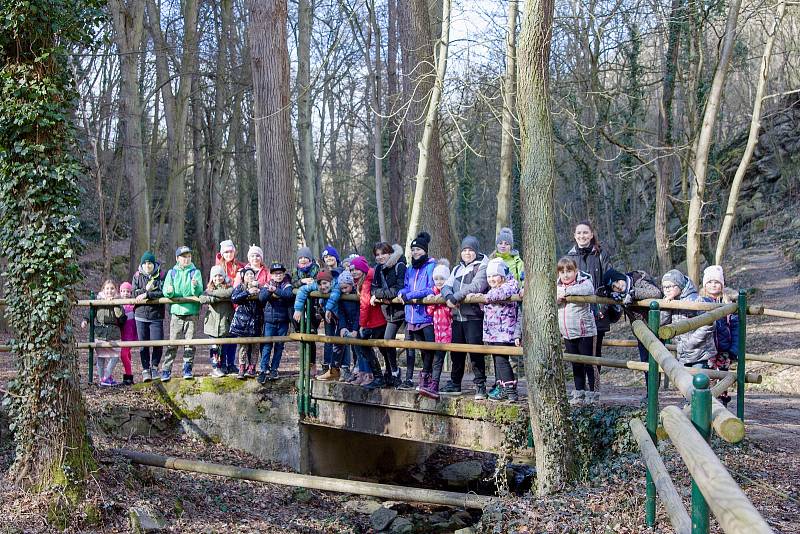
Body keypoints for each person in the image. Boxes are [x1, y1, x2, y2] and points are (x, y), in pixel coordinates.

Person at [439, 235, 490, 399]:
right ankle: (455, 383)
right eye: (464, 250)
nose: (467, 253)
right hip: (457, 318)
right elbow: (446, 286)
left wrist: (456, 296)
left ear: (476, 251)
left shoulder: (482, 266)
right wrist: (448, 297)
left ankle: (480, 385)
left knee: (475, 352)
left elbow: (478, 285)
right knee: (456, 353)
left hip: (473, 316)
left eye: (470, 250)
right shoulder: (457, 269)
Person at [565, 221, 613, 370]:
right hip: (575, 313)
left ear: (591, 234)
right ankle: (580, 390)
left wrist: (603, 307)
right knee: (576, 354)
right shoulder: (569, 256)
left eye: (585, 232)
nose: (582, 236)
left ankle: (594, 390)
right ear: (574, 235)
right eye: (579, 233)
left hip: (597, 312)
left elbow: (609, 277)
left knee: (594, 353)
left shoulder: (601, 254)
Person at [397, 232, 436, 392]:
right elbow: (406, 285)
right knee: (416, 348)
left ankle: (427, 376)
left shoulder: (431, 266)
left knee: (429, 348)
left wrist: (409, 295)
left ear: (425, 250)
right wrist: (401, 292)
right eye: (413, 250)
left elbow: (430, 288)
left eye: (418, 249)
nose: (415, 253)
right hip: (411, 315)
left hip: (425, 315)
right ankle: (417, 377)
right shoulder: (410, 268)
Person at [556, 257, 598, 405]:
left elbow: (588, 289)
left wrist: (566, 293)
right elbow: (552, 296)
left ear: (576, 271)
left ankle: (593, 392)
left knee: (589, 363)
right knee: (576, 363)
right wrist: (558, 297)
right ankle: (579, 391)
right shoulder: (556, 286)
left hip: (585, 331)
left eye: (569, 271)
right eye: (562, 272)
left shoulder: (583, 282)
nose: (566, 275)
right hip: (568, 333)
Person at [480, 259, 522, 402]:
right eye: (489, 276)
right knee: (498, 361)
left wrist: (484, 298)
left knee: (502, 360)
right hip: (493, 332)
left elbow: (500, 294)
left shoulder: (510, 285)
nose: (491, 279)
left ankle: (511, 391)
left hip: (504, 331)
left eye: (494, 276)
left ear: (503, 276)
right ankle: (502, 387)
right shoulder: (493, 289)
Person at [161, 246, 204, 381]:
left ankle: (187, 368)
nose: (186, 259)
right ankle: (166, 370)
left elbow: (198, 292)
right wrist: (169, 291)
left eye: (188, 256)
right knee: (172, 343)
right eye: (183, 257)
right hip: (176, 313)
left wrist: (195, 286)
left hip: (191, 312)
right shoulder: (172, 273)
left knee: (189, 343)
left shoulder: (195, 272)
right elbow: (167, 292)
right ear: (177, 258)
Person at [660, 269, 716, 368]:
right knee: (685, 381)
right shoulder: (671, 301)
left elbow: (709, 322)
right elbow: (662, 323)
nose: (667, 290)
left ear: (680, 285)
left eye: (669, 286)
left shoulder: (695, 300)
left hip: (699, 352)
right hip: (683, 353)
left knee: (699, 380)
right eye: (664, 287)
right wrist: (666, 307)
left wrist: (692, 342)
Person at [370, 242, 407, 387]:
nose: (380, 257)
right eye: (377, 255)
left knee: (392, 340)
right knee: (382, 340)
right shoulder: (378, 269)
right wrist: (382, 296)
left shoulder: (399, 265)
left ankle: (397, 373)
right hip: (386, 312)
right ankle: (391, 371)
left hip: (401, 312)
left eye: (383, 254)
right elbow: (374, 289)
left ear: (390, 253)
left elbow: (397, 289)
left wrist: (381, 296)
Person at [701, 265, 739, 406]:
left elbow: (735, 328)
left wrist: (734, 349)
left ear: (722, 285)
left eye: (716, 282)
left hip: (724, 348)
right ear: (704, 285)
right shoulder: (700, 302)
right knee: (707, 376)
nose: (713, 285)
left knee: (723, 377)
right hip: (706, 349)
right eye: (709, 282)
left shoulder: (728, 303)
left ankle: (722, 403)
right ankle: (707, 404)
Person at [293, 269, 341, 376]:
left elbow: (335, 295)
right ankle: (330, 368)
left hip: (340, 315)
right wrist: (298, 308)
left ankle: (341, 368)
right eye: (319, 284)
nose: (322, 287)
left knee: (341, 341)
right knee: (331, 340)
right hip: (329, 315)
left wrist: (328, 308)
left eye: (325, 283)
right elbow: (302, 290)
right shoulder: (316, 286)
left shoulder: (337, 285)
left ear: (331, 282)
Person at [352, 255, 389, 388]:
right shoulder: (363, 280)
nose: (354, 272)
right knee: (382, 348)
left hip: (375, 321)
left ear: (363, 269)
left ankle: (379, 377)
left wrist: (362, 325)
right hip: (376, 320)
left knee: (365, 345)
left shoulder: (367, 281)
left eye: (356, 269)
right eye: (352, 270)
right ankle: (387, 375)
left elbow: (365, 304)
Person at [318, 270, 360, 381]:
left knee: (357, 347)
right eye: (341, 288)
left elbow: (359, 314)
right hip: (345, 323)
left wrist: (355, 329)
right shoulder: (341, 296)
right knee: (337, 344)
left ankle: (358, 372)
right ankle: (334, 370)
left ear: (351, 285)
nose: (344, 291)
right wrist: (342, 327)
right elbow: (341, 312)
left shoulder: (357, 295)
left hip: (356, 324)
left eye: (346, 288)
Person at [257, 263, 295, 383]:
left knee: (279, 346)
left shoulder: (286, 284)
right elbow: (261, 298)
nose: (278, 275)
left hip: (283, 321)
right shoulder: (268, 284)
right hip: (269, 321)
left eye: (280, 273)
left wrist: (275, 290)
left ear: (284, 274)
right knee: (267, 345)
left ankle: (274, 369)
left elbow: (289, 295)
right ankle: (263, 370)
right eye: (275, 273)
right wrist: (269, 290)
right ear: (271, 275)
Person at [420, 260, 452, 399]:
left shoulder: (450, 292)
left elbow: (452, 311)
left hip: (448, 331)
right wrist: (433, 300)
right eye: (436, 279)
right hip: (436, 332)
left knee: (444, 358)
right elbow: (429, 310)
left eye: (442, 279)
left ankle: (438, 384)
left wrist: (444, 298)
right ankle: (433, 383)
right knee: (436, 358)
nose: (439, 282)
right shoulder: (432, 292)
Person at [84, 280, 126, 386]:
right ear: (103, 289)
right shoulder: (98, 300)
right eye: (107, 288)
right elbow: (91, 313)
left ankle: (106, 377)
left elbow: (121, 318)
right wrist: (85, 320)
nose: (109, 291)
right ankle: (102, 379)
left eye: (112, 288)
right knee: (101, 356)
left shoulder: (119, 301)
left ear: (115, 290)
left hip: (114, 333)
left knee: (116, 355)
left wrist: (115, 304)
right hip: (100, 332)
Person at [132, 251, 166, 382]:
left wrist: (147, 294)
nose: (147, 266)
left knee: (157, 342)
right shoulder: (137, 276)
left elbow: (162, 292)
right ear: (142, 264)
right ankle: (145, 369)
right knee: (143, 344)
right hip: (140, 315)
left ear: (154, 264)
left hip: (156, 315)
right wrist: (146, 289)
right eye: (145, 263)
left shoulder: (161, 275)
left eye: (150, 263)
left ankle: (154, 367)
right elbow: (134, 293)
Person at [216, 240, 245, 373]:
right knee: (223, 335)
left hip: (236, 305)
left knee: (233, 335)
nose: (229, 254)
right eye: (226, 252)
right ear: (222, 253)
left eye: (231, 251)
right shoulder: (218, 267)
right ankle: (221, 364)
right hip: (223, 305)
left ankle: (231, 363)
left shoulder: (239, 266)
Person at [230, 266, 263, 379]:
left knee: (255, 346)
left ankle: (252, 367)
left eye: (252, 274)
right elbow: (234, 298)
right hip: (243, 323)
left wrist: (259, 293)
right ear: (243, 277)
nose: (250, 276)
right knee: (243, 347)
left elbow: (264, 301)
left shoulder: (259, 287)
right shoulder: (240, 287)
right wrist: (247, 292)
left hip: (256, 321)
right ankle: (242, 368)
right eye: (248, 274)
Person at [202, 265, 234, 378]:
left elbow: (227, 293)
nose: (218, 278)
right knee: (214, 347)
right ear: (212, 277)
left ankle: (223, 366)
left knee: (223, 347)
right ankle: (216, 367)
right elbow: (202, 298)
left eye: (220, 275)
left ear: (224, 277)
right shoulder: (208, 289)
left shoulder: (228, 287)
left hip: (225, 322)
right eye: (215, 276)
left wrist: (212, 294)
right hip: (212, 324)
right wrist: (213, 298)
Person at [118, 282, 138, 385]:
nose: (125, 293)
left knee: (123, 354)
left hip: (130, 334)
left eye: (127, 291)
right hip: (121, 334)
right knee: (127, 354)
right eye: (123, 291)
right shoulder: (118, 304)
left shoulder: (133, 305)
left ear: (131, 293)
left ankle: (129, 376)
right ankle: (127, 375)